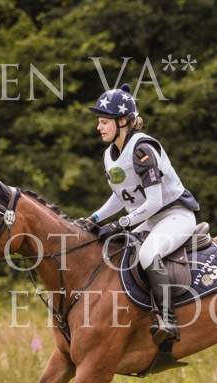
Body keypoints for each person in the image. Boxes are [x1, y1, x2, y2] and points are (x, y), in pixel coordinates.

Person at [80, 83, 201, 345]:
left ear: (122, 121)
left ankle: (168, 320)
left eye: (104, 122)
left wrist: (121, 223)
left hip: (175, 215)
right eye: (99, 122)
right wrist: (94, 219)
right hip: (150, 219)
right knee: (117, 251)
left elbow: (155, 201)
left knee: (148, 254)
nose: (98, 127)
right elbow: (121, 196)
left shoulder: (142, 149)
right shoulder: (110, 155)